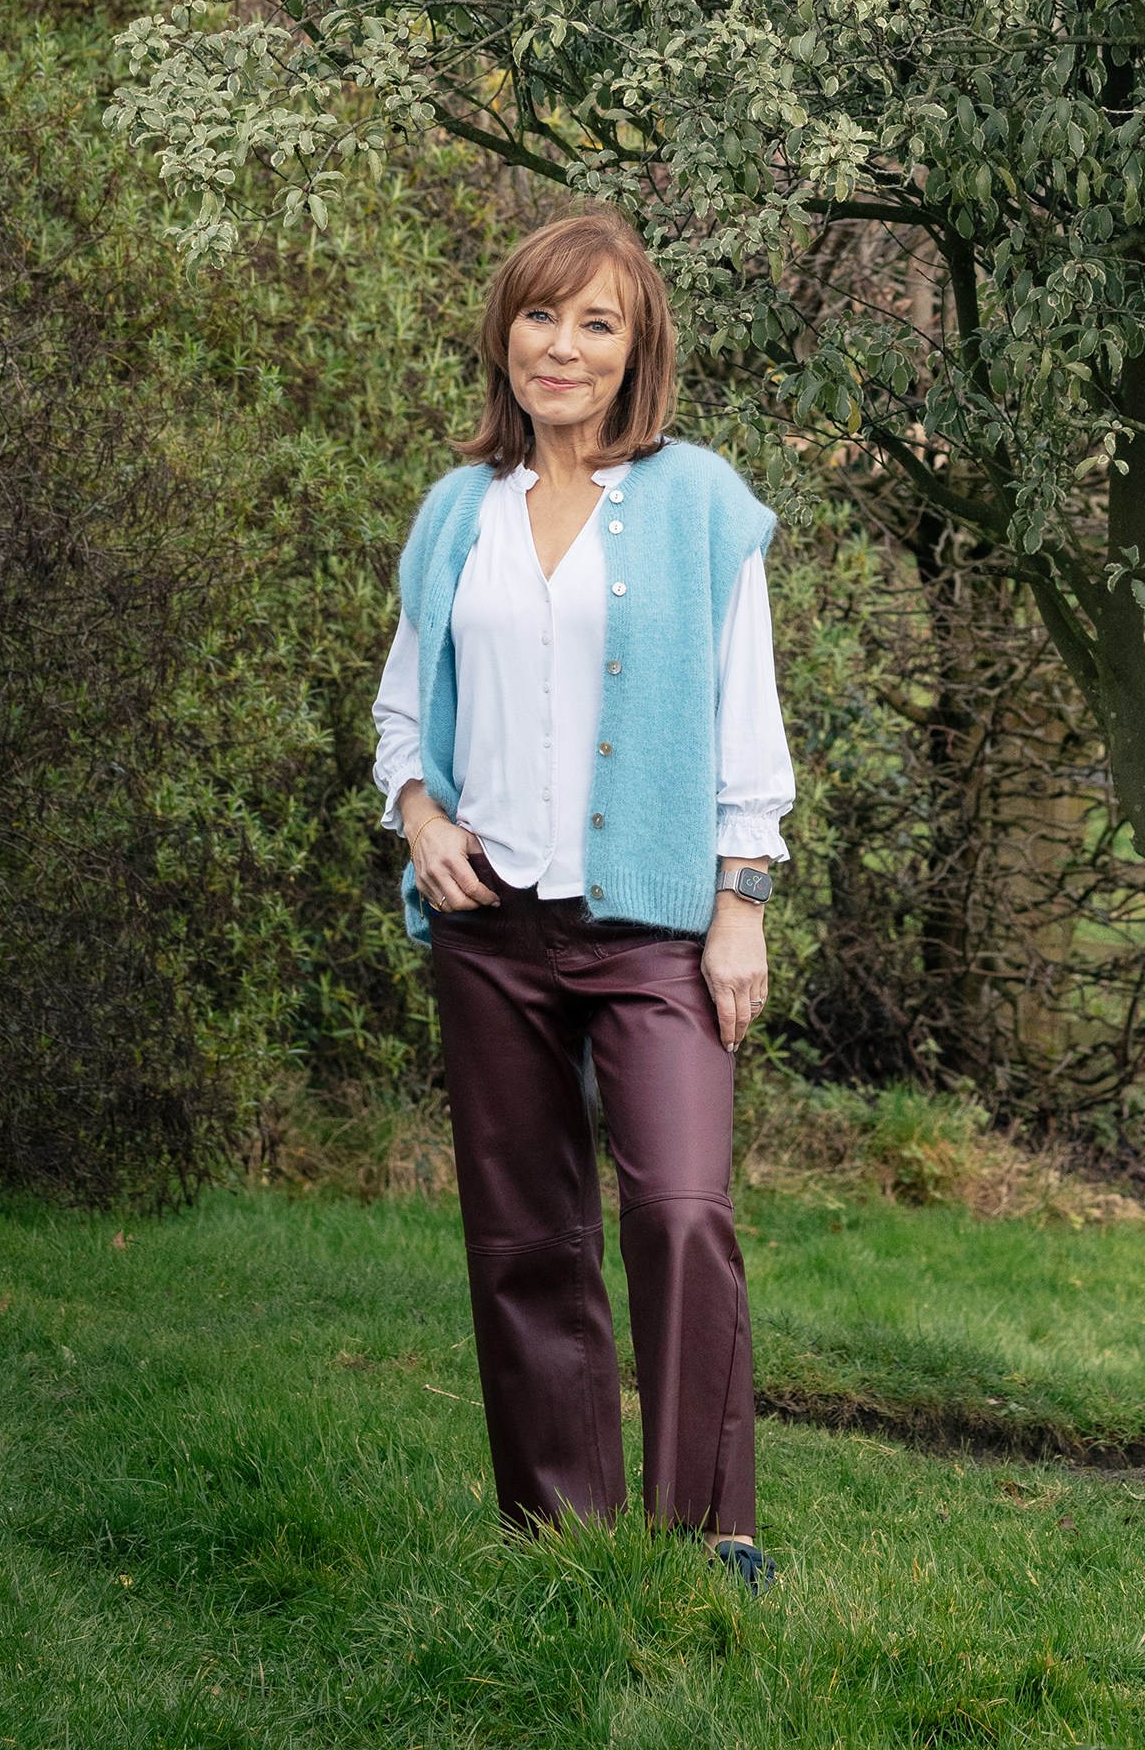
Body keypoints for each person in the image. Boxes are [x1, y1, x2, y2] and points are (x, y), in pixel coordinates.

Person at [371, 209, 790, 1587]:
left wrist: (742, 895)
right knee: (522, 1235)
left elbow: (749, 715)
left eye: (596, 322)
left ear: (634, 348)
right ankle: (563, 1532)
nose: (562, 345)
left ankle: (708, 1526)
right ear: (506, 333)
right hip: (492, 928)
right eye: (542, 316)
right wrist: (420, 813)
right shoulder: (456, 510)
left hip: (658, 925)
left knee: (681, 1203)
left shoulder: (702, 504)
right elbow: (400, 710)